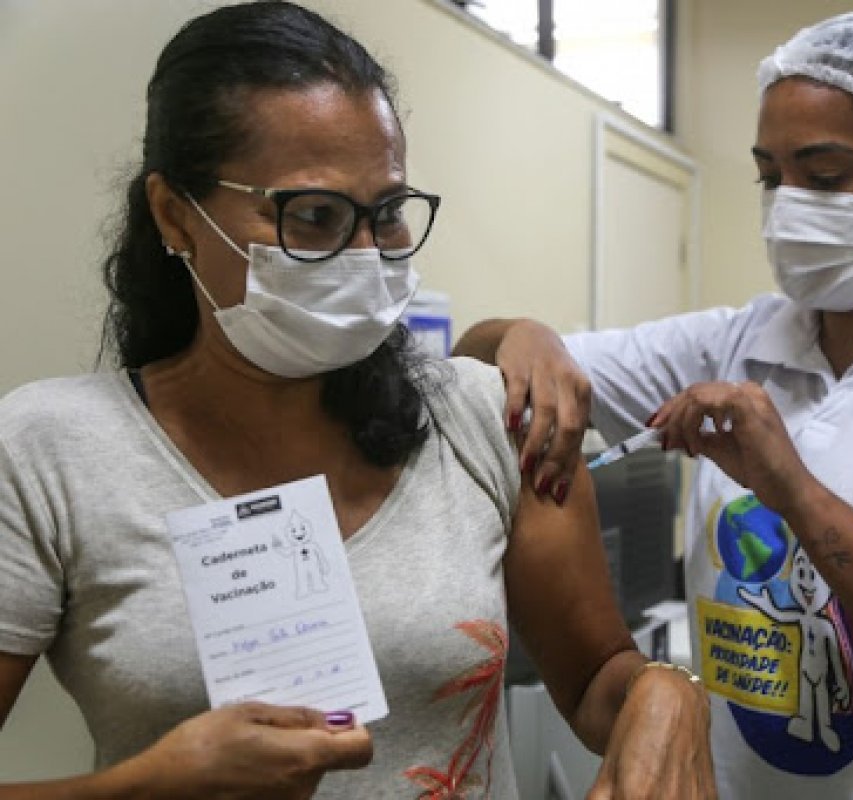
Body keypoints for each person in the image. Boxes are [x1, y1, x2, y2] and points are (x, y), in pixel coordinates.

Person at [0, 3, 714, 798]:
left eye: (388, 213)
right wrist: (142, 788)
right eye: (315, 218)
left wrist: (667, 691)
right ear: (176, 216)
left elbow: (596, 682)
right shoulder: (46, 453)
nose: (367, 256)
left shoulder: (482, 420)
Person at [455, 11, 853, 798]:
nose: (790, 204)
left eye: (826, 176)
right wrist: (520, 334)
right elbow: (484, 365)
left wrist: (795, 492)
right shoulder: (735, 345)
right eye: (771, 176)